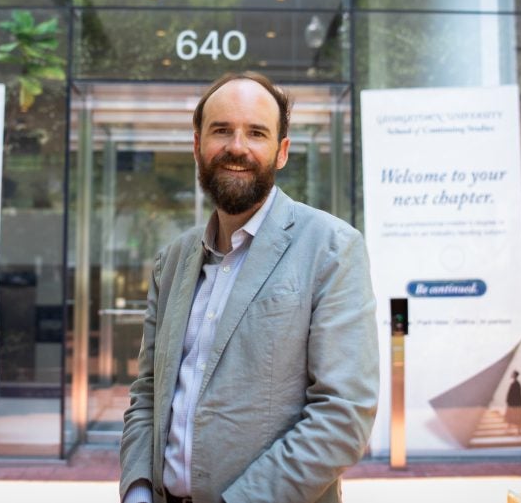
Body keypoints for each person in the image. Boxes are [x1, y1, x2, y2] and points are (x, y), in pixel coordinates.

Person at [119, 72, 379, 503]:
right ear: (197, 145)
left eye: (256, 133)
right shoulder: (173, 261)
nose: (237, 147)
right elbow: (147, 392)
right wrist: (138, 490)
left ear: (281, 153)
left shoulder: (332, 248)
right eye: (221, 130)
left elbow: (343, 414)